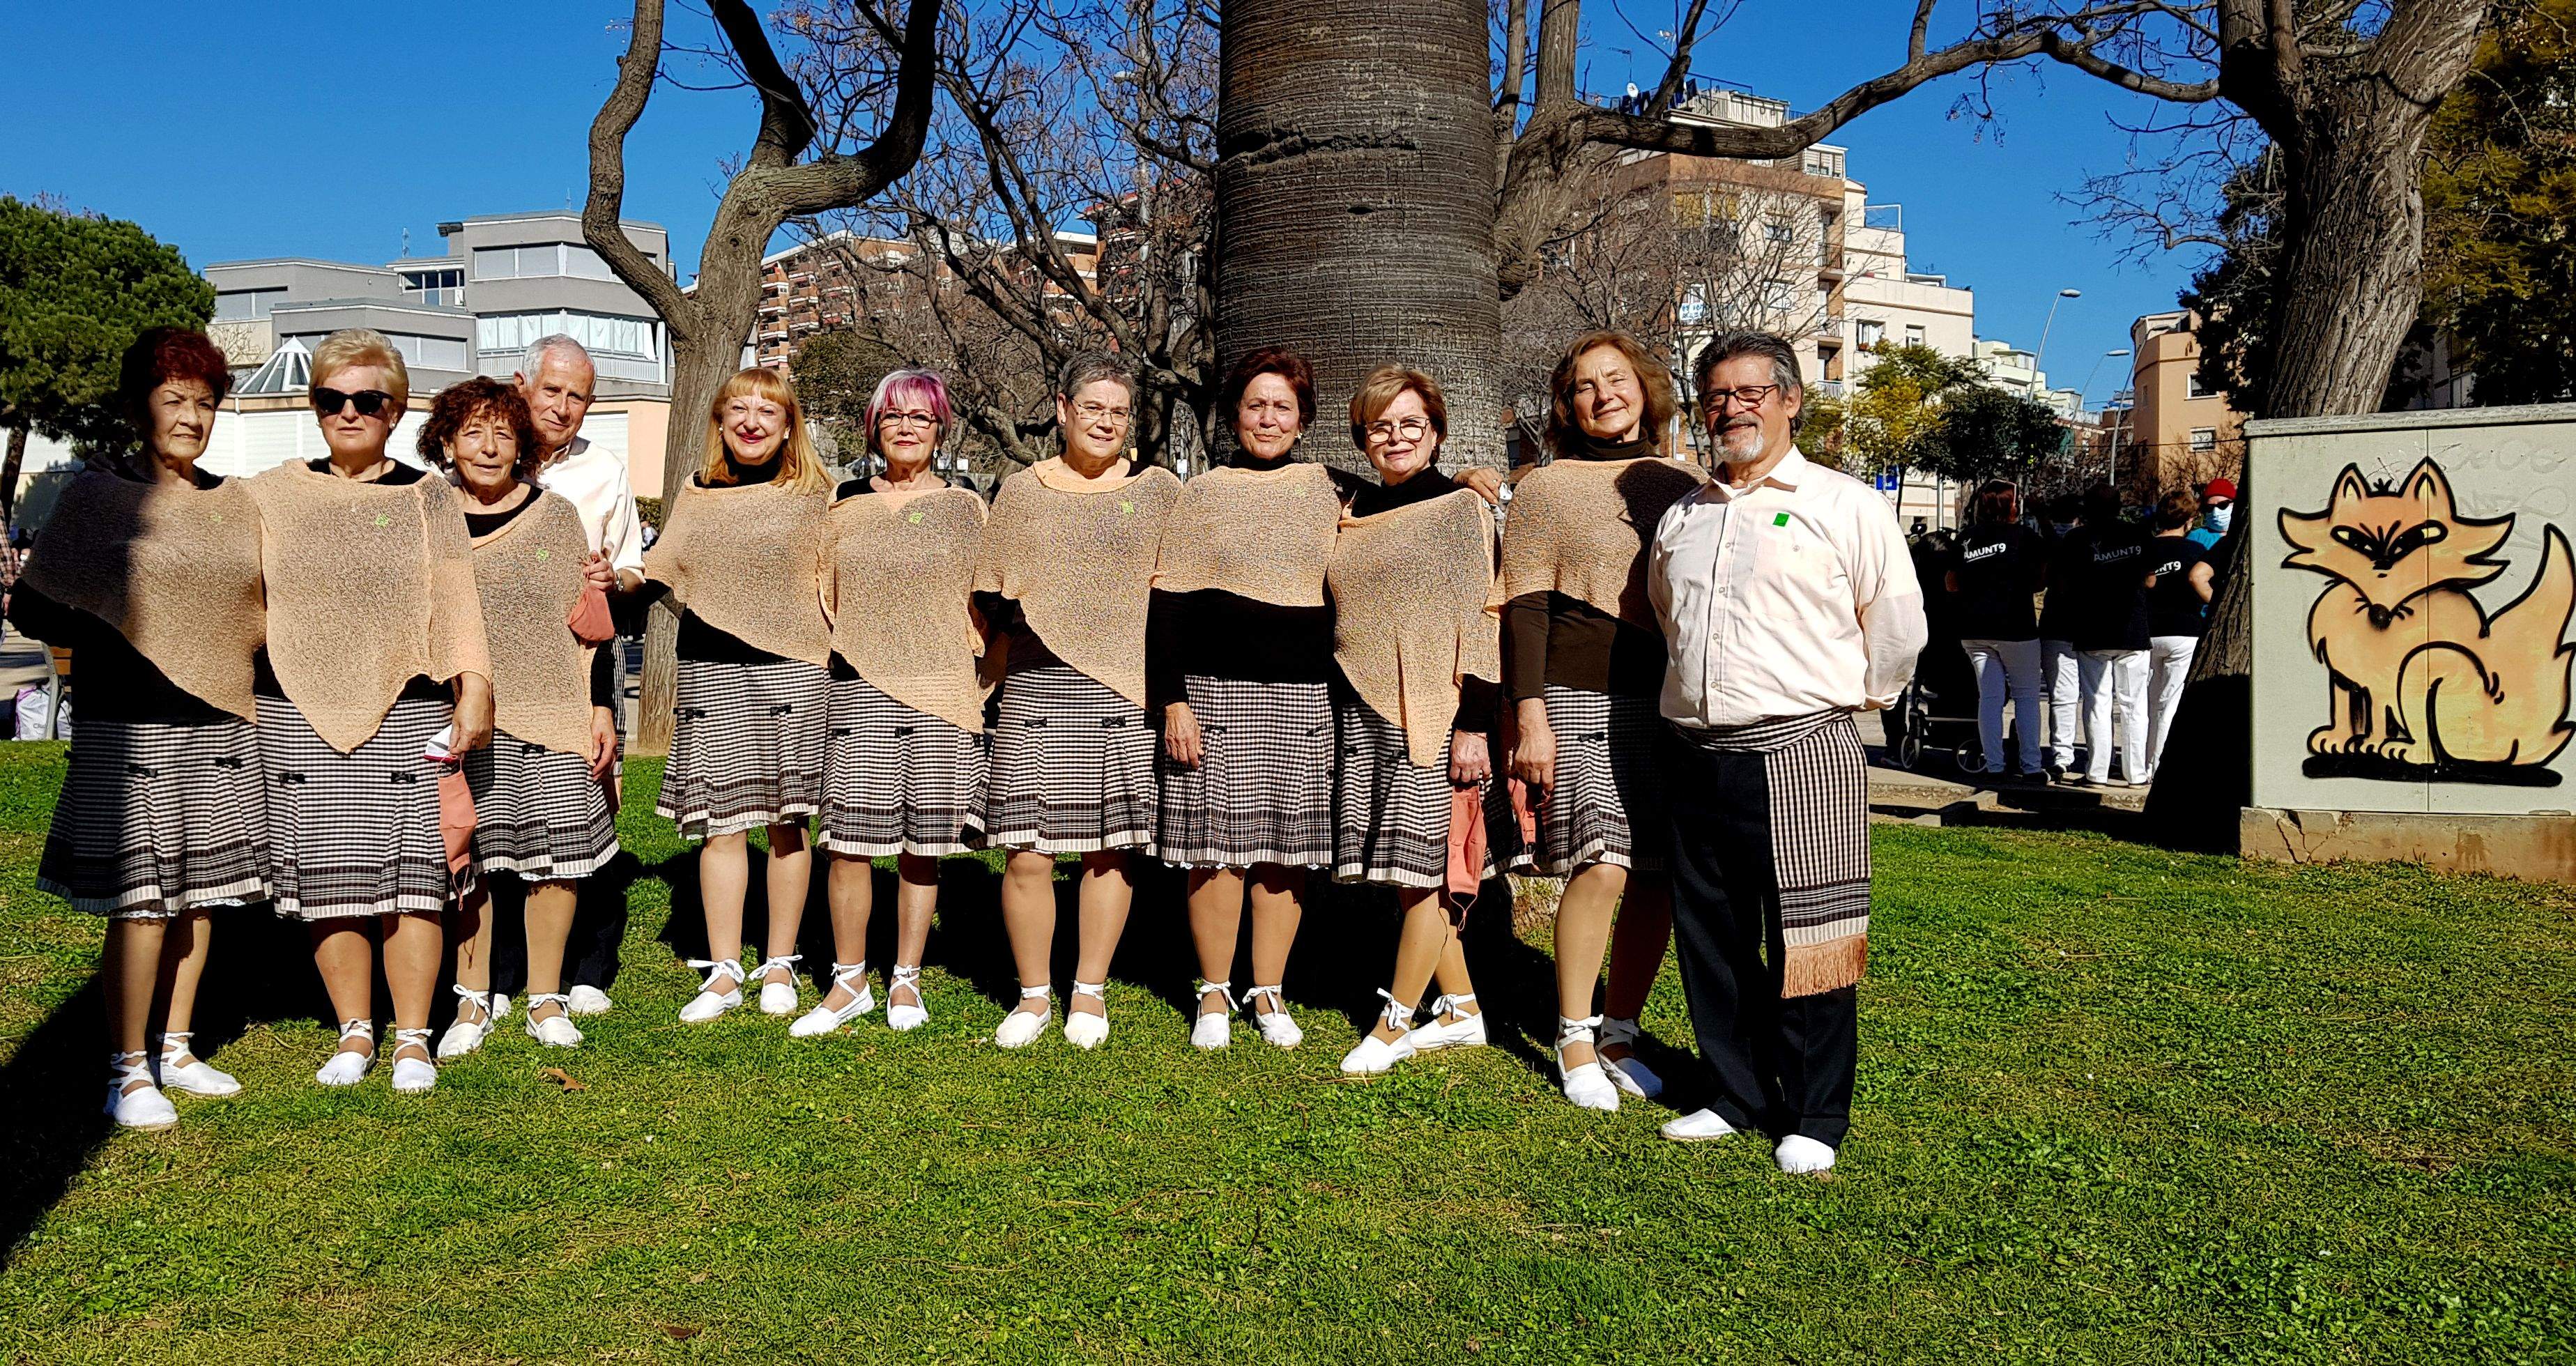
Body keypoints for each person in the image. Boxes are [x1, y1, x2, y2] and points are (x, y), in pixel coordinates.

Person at [1648, 330, 1926, 1173]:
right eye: (1716, 395)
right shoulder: (1683, 516)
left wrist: (1847, 703)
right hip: (1697, 751)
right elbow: (1670, 617)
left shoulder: (1847, 506)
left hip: (1805, 750)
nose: (1730, 409)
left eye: (1749, 393)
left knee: (1812, 937)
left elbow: (1899, 627)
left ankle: (1814, 1113)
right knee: (1714, 936)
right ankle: (1736, 1092)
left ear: (1791, 401)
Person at [11, 328, 268, 1129]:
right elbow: (36, 604)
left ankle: (179, 1047)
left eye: (205, 402)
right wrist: (121, 612)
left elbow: (258, 602)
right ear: (137, 408)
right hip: (130, 726)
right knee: (145, 902)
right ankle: (126, 1067)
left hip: (222, 716)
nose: (191, 417)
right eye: (174, 400)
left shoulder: (233, 501)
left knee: (203, 898)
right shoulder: (97, 494)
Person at [243, 329, 493, 1093]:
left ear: (395, 409)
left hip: (407, 705)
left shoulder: (428, 498)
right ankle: (356, 1028)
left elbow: (456, 599)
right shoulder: (265, 493)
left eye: (367, 400)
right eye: (331, 399)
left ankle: (413, 1035)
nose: (348, 413)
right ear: (314, 405)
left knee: (415, 881)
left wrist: (474, 686)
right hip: (297, 709)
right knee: (331, 883)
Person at [1499, 330, 1705, 1110]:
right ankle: (1574, 1031)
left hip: (1672, 698)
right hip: (1577, 693)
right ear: (1567, 403)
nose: (1602, 395)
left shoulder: (1687, 482)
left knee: (1657, 872)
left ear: (1644, 387)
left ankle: (1623, 1025)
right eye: (1584, 385)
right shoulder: (1546, 488)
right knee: (1604, 859)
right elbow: (1522, 604)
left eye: (1615, 379)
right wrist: (1530, 715)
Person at [974, 353, 1183, 1048]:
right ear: (1063, 408)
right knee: (1027, 852)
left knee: (1110, 848)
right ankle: (1034, 995)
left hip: (1124, 687)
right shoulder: (1021, 490)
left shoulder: (1159, 490)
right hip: (1036, 684)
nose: (1105, 421)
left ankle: (1088, 991)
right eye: (1093, 407)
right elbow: (990, 596)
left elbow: (1181, 591)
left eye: (1118, 411)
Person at [417, 378, 620, 1055]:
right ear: (446, 440)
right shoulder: (423, 514)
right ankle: (472, 1003)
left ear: (522, 445)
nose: (488, 445)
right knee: (468, 862)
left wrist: (598, 706)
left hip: (556, 709)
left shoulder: (557, 515)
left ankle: (544, 998)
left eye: (504, 432)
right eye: (472, 430)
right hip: (465, 720)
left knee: (556, 861)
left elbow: (589, 624)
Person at [1153, 346, 1343, 1051]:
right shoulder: (1201, 493)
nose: (1268, 417)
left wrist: (1474, 481)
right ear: (1235, 415)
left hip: (1303, 697)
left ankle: (1268, 990)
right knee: (1216, 849)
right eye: (1255, 404)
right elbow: (1168, 604)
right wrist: (1173, 702)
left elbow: (1410, 502)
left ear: (1302, 420)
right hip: (1211, 694)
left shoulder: (1335, 490)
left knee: (1285, 850)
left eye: (1282, 406)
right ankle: (1212, 992)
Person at [641, 368, 834, 1024]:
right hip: (710, 671)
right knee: (720, 827)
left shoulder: (815, 495)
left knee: (788, 823)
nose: (752, 422)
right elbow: (657, 571)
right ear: (720, 421)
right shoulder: (695, 493)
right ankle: (725, 969)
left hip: (797, 673)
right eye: (739, 409)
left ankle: (780, 961)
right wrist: (606, 587)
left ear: (789, 428)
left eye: (768, 412)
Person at [801, 368, 988, 1038]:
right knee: (848, 844)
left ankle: (905, 975)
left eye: (921, 418)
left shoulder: (967, 508)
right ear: (874, 428)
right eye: (893, 417)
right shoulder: (842, 507)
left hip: (942, 693)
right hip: (859, 691)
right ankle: (848, 979)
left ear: (940, 431)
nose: (906, 428)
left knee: (922, 845)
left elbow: (985, 599)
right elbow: (822, 594)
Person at [1327, 367, 1498, 1076]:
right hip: (1362, 709)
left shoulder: (1461, 510)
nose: (1395, 438)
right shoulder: (1351, 507)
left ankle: (1394, 1022)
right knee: (1406, 873)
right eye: (1380, 426)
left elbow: (1484, 621)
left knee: (1427, 871)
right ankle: (1461, 1009)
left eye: (1410, 425)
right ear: (1364, 437)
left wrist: (1474, 724)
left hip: (1435, 711)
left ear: (1436, 432)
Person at [513, 335, 647, 1019]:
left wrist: (611, 578)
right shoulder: (480, 455)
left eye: (579, 396)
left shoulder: (604, 471)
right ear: (521, 384)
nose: (563, 407)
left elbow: (633, 567)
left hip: (584, 662)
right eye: (552, 390)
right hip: (503, 664)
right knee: (500, 815)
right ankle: (509, 970)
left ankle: (590, 965)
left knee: (589, 810)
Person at [1945, 480, 2049, 782]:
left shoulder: (1966, 538)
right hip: (2017, 627)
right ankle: (2031, 767)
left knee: (1989, 699)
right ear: (2012, 505)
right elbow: (2039, 583)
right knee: (2027, 697)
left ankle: (1993, 767)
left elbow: (1951, 584)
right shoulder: (2026, 538)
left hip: (1975, 629)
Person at [2057, 483, 2152, 788]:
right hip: (2132, 630)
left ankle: (2096, 772)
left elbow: (2063, 585)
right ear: (2119, 506)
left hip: (2092, 629)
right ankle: (2136, 772)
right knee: (2134, 705)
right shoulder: (2138, 534)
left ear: (2087, 509)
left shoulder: (2076, 539)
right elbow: (2150, 581)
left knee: (2096, 703)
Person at [2140, 490, 2215, 783]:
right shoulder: (2196, 553)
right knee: (2169, 703)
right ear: (2190, 519)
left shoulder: (2145, 549)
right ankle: (2160, 768)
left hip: (2146, 634)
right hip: (2184, 634)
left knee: (2142, 704)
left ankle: (2141, 764)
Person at [2036, 493, 2085, 781]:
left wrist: (2043, 519)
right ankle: (2074, 755)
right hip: (2079, 628)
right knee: (2091, 697)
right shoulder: (2087, 544)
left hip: (2059, 626)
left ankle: (2063, 753)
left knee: (2063, 695)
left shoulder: (2056, 546)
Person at [2186, 476, 2235, 551]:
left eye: (2222, 505)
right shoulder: (2197, 537)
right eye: (2210, 507)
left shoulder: (2249, 535)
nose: (2216, 511)